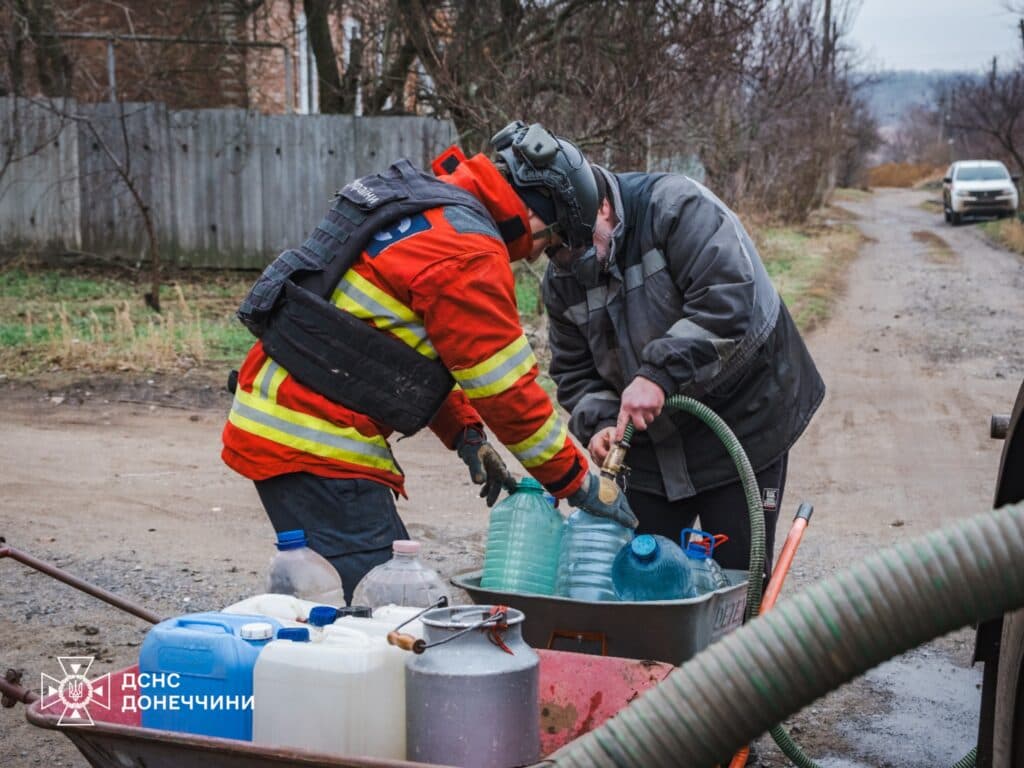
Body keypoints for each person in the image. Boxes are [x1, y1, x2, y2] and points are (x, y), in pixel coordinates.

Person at [222, 122, 635, 604]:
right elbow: (508, 395)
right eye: (555, 235)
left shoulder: (429, 211)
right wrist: (578, 483)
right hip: (316, 443)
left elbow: (391, 346)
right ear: (535, 211)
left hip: (280, 417)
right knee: (384, 615)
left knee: (332, 604)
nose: (543, 252)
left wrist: (466, 434)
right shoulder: (468, 252)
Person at [541, 131, 825, 578]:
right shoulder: (561, 279)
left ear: (602, 207)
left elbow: (727, 299)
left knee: (734, 582)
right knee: (642, 579)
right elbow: (575, 371)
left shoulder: (675, 207)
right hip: (652, 447)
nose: (567, 260)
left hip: (741, 422)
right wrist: (598, 424)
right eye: (553, 249)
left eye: (574, 244)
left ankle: (738, 649)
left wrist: (656, 374)